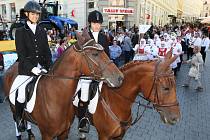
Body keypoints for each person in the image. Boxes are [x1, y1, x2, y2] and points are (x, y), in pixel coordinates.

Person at [14, 0, 52, 137]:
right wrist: (32, 69)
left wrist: (50, 67)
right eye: (33, 14)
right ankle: (19, 119)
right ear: (26, 14)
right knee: (22, 91)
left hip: (42, 68)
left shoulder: (42, 31)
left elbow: (47, 52)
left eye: (37, 14)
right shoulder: (20, 31)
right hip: (26, 69)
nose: (35, 16)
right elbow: (21, 55)